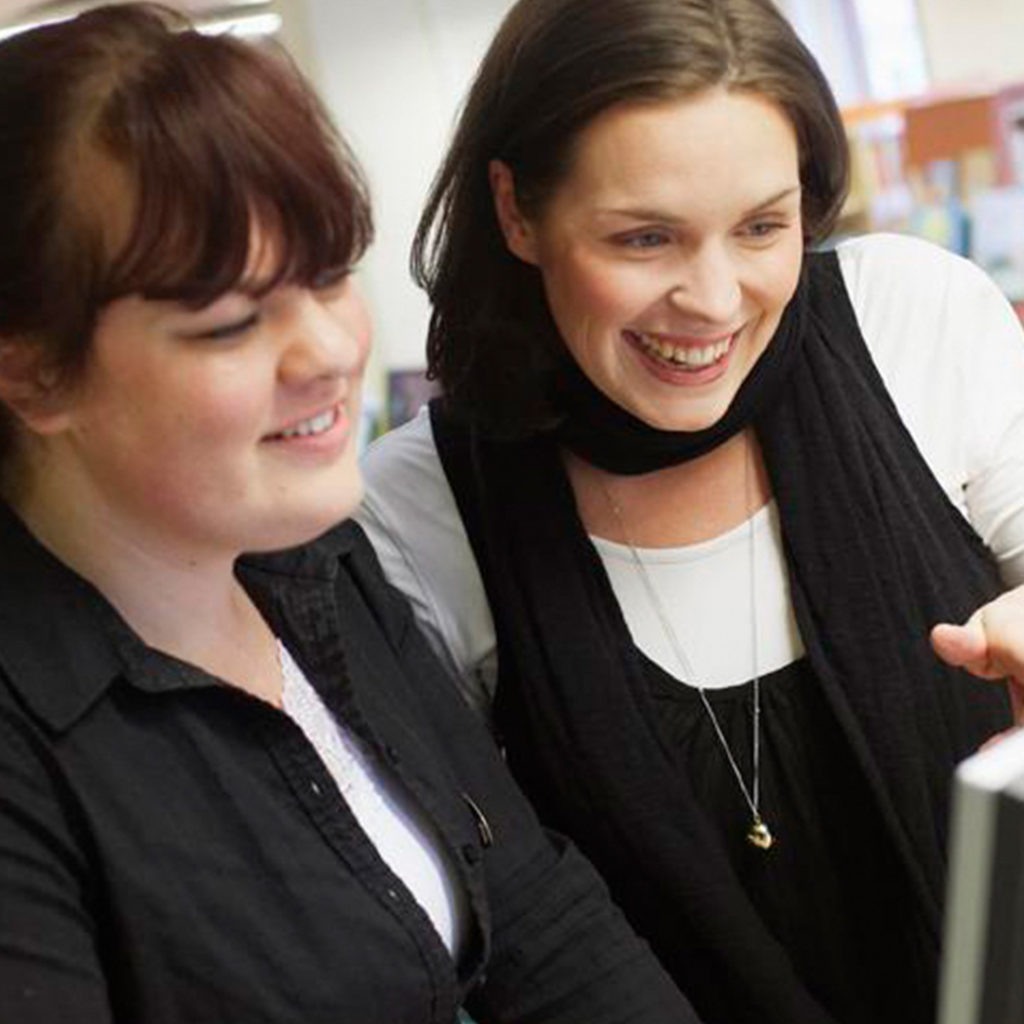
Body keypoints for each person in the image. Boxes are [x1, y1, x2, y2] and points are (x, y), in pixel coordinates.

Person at [0, 6, 702, 1023]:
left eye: (329, 277)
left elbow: (540, 919)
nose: (330, 351)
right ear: (34, 374)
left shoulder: (315, 565)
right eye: (231, 323)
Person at [357, 0, 1024, 1021]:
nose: (713, 300)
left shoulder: (914, 320)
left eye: (761, 226)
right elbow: (488, 920)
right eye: (644, 238)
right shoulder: (418, 515)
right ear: (517, 211)